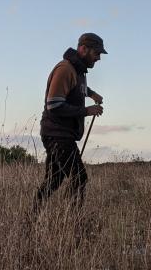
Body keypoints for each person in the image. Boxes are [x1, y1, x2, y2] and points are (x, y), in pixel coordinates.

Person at [33, 33, 107, 214]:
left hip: (61, 134)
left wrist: (91, 93)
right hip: (57, 134)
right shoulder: (65, 69)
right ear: (83, 49)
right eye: (96, 53)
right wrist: (86, 111)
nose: (98, 58)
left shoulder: (78, 70)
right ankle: (72, 223)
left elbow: (77, 87)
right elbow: (54, 105)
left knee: (54, 180)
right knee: (79, 178)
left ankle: (32, 217)